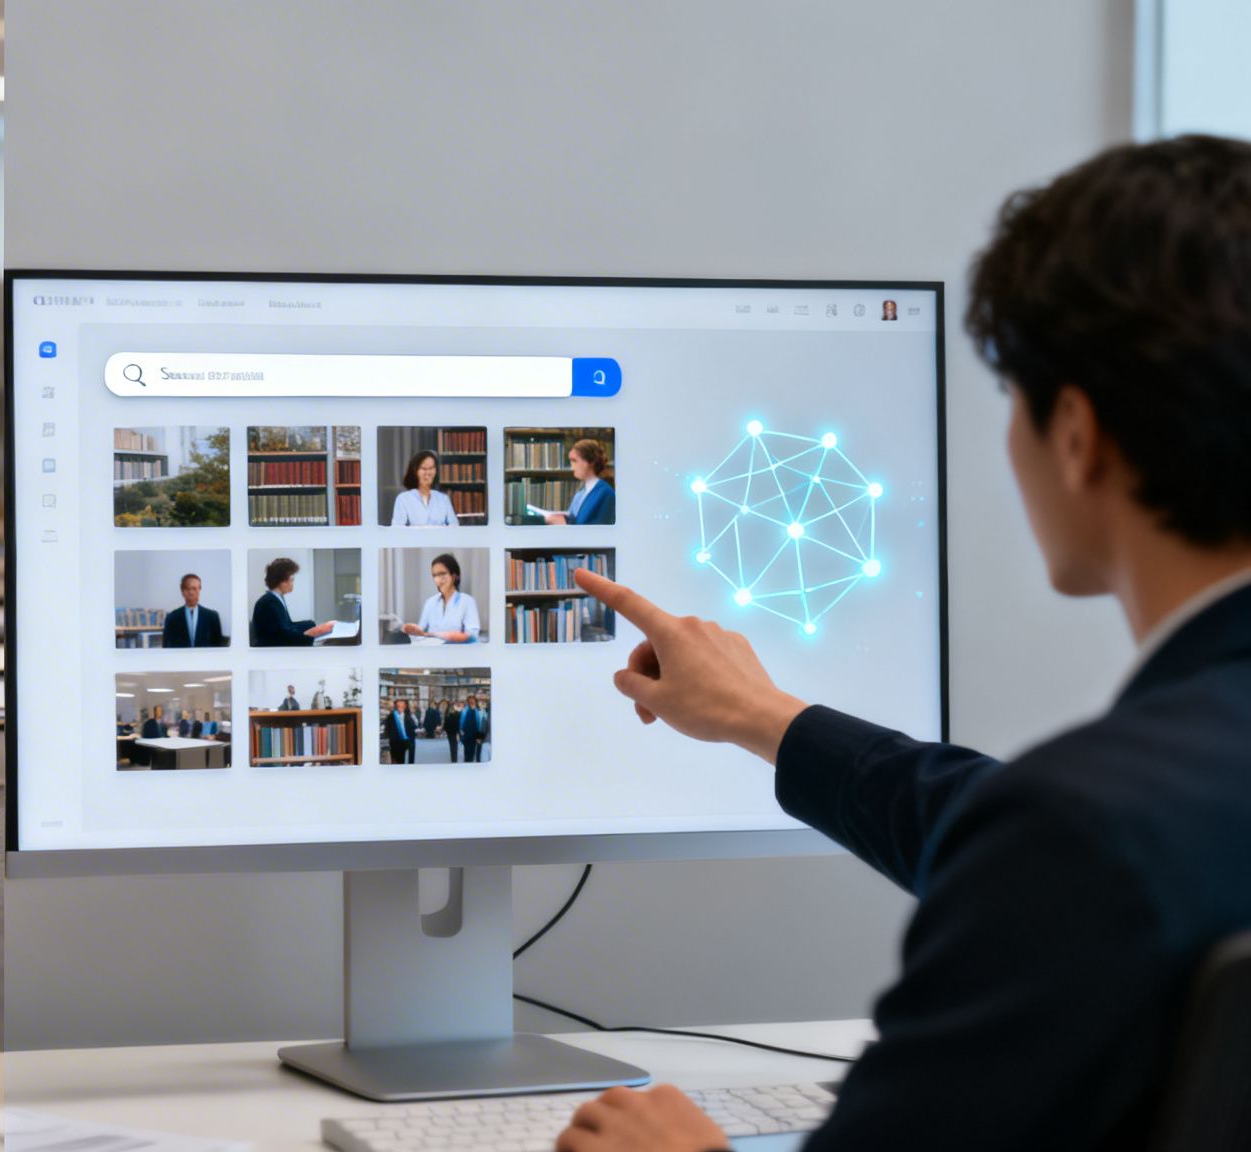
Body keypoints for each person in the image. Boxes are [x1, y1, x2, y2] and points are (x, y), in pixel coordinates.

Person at [549, 136, 1251, 1152]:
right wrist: (764, 718)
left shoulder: (1083, 835)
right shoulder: (1131, 819)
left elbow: (1066, 854)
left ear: (1072, 433)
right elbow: (1065, 843)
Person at [251, 557, 338, 646]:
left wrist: (313, 626)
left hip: (278, 639)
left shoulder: (276, 598)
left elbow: (287, 626)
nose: (293, 583)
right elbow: (282, 635)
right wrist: (315, 632)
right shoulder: (269, 603)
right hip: (270, 649)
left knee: (310, 623)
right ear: (282, 581)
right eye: (292, 579)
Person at [403, 553, 482, 643]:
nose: (438, 579)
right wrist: (413, 630)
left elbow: (472, 636)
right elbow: (421, 633)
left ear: (454, 575)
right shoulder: (430, 602)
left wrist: (437, 635)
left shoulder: (467, 601)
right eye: (435, 575)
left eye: (442, 574)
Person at [543, 439, 616, 526]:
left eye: (574, 461)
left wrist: (565, 522)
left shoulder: (605, 493)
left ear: (591, 462)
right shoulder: (581, 491)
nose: (572, 467)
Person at [390, 449, 460, 526]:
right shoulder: (403, 499)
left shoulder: (443, 499)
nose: (428, 472)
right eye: (424, 468)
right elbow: (397, 529)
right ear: (415, 471)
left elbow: (454, 526)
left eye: (431, 468)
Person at [160, 573, 228, 648]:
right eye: (187, 589)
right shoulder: (171, 618)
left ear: (200, 590)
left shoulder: (212, 617)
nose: (191, 592)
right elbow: (166, 647)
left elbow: (218, 647)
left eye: (194, 588)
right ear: (182, 591)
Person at [456, 694, 488, 762]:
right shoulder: (465, 710)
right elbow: (461, 722)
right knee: (466, 753)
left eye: (473, 700)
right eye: (470, 700)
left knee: (472, 753)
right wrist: (460, 732)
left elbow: (482, 724)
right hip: (466, 735)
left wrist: (479, 737)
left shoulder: (478, 711)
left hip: (474, 735)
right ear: (468, 701)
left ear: (475, 701)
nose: (471, 701)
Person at [386, 698, 416, 764]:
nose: (401, 707)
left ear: (405, 706)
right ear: (396, 706)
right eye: (399, 706)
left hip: (405, 741)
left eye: (403, 706)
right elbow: (387, 730)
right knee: (397, 761)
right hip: (396, 742)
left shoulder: (408, 716)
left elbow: (413, 728)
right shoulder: (391, 716)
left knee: (403, 760)